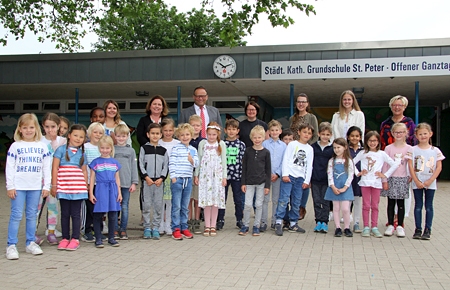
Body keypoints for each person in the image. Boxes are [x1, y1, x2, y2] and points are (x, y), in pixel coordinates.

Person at [5, 113, 51, 260]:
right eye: (25, 128)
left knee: (32, 215)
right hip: (18, 187)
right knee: (16, 215)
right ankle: (11, 245)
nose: (29, 130)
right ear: (20, 129)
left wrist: (47, 186)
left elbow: (46, 167)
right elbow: (10, 167)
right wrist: (10, 186)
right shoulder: (15, 146)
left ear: (36, 128)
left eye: (31, 127)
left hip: (35, 187)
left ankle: (30, 242)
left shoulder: (42, 147)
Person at [353, 131, 399, 238]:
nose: (372, 143)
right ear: (366, 141)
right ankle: (366, 227)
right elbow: (351, 162)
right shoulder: (363, 153)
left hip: (376, 183)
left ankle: (374, 226)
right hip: (365, 182)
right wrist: (358, 173)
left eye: (375, 140)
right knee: (366, 206)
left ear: (378, 141)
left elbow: (394, 164)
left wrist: (385, 175)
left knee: (375, 206)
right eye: (370, 140)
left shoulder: (382, 154)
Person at [51, 124, 88, 251]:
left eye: (81, 137)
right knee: (65, 213)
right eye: (76, 135)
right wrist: (54, 185)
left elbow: (84, 171)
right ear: (69, 135)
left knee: (76, 214)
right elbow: (55, 168)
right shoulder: (61, 150)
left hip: (78, 188)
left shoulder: (82, 152)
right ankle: (65, 238)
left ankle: (75, 238)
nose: (78, 139)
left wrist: (86, 185)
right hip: (64, 187)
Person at [380, 95, 416, 221]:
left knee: (403, 190)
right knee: (391, 192)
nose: (396, 107)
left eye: (399, 105)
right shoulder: (385, 124)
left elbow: (413, 141)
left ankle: (400, 218)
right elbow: (382, 141)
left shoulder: (409, 123)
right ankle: (392, 219)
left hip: (405, 160)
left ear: (404, 107)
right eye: (394, 105)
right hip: (389, 158)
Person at [406, 123, 445, 240]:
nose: (423, 136)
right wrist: (416, 180)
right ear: (416, 136)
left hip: (430, 183)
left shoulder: (435, 150)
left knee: (429, 206)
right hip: (417, 182)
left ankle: (428, 229)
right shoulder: (412, 150)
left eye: (425, 134)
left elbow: (439, 167)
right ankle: (418, 229)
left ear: (430, 134)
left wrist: (430, 180)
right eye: (420, 134)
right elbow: (410, 166)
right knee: (418, 205)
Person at [274, 124, 314, 236]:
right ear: (299, 132)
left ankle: (293, 223)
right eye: (305, 132)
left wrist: (307, 180)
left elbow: (309, 165)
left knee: (296, 201)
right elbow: (286, 159)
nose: (306, 134)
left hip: (300, 178)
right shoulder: (292, 144)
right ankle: (278, 221)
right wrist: (285, 174)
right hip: (289, 176)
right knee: (284, 199)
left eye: (309, 133)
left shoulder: (310, 149)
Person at [36, 112, 66, 245]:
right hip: (40, 180)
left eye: (53, 126)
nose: (50, 130)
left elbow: (61, 158)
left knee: (53, 207)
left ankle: (51, 231)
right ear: (43, 126)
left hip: (54, 180)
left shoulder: (62, 141)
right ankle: (32, 232)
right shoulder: (38, 141)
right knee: (36, 207)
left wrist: (54, 141)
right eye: (47, 127)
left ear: (58, 126)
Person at [89, 136, 122, 248]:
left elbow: (117, 178)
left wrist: (119, 192)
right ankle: (98, 238)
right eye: (102, 148)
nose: (105, 150)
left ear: (111, 148)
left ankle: (111, 237)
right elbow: (92, 178)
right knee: (98, 214)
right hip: (101, 188)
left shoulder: (115, 162)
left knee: (113, 214)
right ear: (99, 148)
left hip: (112, 189)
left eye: (107, 148)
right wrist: (91, 193)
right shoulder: (96, 162)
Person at [195, 122, 227, 236]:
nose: (211, 137)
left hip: (217, 177)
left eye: (214, 134)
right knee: (207, 201)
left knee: (215, 201)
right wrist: (196, 174)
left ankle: (213, 225)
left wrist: (224, 177)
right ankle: (207, 226)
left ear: (217, 134)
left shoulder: (221, 144)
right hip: (205, 177)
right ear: (206, 134)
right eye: (209, 134)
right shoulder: (203, 143)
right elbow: (198, 159)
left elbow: (224, 162)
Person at [289, 93, 318, 220]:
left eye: (303, 102)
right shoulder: (292, 118)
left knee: (305, 180)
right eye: (299, 101)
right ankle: (293, 207)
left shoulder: (311, 117)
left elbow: (315, 135)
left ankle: (302, 207)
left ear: (307, 104)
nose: (301, 104)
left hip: (306, 152)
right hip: (294, 152)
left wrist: (306, 147)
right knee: (293, 178)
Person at [239, 125, 271, 236]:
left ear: (263, 138)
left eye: (259, 137)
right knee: (247, 204)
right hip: (249, 182)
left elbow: (268, 169)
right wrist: (243, 183)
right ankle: (245, 225)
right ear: (251, 138)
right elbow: (244, 168)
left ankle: (256, 226)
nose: (257, 140)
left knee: (259, 204)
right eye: (255, 137)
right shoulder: (248, 151)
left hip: (261, 183)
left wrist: (267, 186)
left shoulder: (266, 152)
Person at [381, 123, 412, 238]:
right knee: (390, 202)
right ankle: (390, 224)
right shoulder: (388, 148)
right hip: (391, 178)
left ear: (406, 133)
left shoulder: (409, 148)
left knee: (401, 203)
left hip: (403, 178)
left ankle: (399, 225)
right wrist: (384, 179)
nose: (399, 134)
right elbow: (385, 165)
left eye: (401, 132)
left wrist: (411, 175)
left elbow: (410, 164)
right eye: (396, 132)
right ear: (392, 133)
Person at [169, 123, 199, 240]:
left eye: (187, 134)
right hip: (178, 179)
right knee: (176, 205)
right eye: (182, 135)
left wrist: (192, 161)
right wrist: (173, 177)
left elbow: (197, 163)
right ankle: (175, 228)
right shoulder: (176, 148)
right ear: (178, 136)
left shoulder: (193, 150)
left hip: (188, 179)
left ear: (191, 135)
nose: (185, 137)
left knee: (185, 205)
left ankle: (184, 227)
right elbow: (172, 163)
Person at [139, 123, 169, 240]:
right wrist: (146, 177)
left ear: (161, 135)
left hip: (159, 183)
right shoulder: (144, 148)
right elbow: (140, 164)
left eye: (157, 133)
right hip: (148, 181)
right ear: (148, 134)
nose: (155, 136)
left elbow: (166, 166)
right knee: (146, 205)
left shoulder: (163, 150)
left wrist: (161, 178)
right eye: (152, 133)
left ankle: (155, 227)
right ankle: (147, 227)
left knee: (158, 205)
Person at [324, 138, 355, 237]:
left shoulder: (349, 161)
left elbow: (351, 175)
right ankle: (337, 227)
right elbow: (330, 174)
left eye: (339, 147)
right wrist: (333, 186)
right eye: (334, 148)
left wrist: (345, 187)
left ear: (345, 147)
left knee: (345, 208)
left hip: (345, 187)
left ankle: (347, 227)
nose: (336, 150)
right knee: (336, 208)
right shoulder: (332, 161)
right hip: (335, 187)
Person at [114, 124, 139, 240]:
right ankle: (114, 229)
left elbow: (134, 167)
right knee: (114, 207)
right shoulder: (112, 149)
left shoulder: (131, 150)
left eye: (123, 136)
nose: (121, 138)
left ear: (127, 136)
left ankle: (123, 229)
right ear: (115, 136)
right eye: (118, 136)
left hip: (126, 183)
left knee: (124, 207)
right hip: (114, 184)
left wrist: (134, 182)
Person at [81, 122, 104, 243]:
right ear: (89, 133)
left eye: (100, 133)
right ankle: (86, 230)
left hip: (101, 184)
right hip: (89, 183)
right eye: (95, 132)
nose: (98, 135)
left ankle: (98, 230)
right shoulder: (85, 147)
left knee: (99, 208)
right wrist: (86, 182)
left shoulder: (103, 148)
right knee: (89, 208)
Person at [262, 120, 286, 231]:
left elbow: (284, 161)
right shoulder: (264, 144)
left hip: (277, 176)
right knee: (265, 199)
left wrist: (277, 173)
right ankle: (263, 222)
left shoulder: (284, 146)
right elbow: (263, 160)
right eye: (272, 130)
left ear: (280, 131)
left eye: (277, 130)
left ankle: (274, 221)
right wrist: (268, 173)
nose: (274, 132)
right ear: (269, 132)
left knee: (276, 199)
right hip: (266, 175)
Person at [221, 119, 246, 230]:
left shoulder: (241, 145)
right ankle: (220, 219)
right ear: (225, 130)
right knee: (222, 198)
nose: (231, 131)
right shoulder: (222, 144)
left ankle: (239, 219)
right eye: (229, 129)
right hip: (224, 176)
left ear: (238, 131)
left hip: (237, 176)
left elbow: (243, 161)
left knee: (238, 199)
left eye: (234, 129)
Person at [158, 118, 180, 236]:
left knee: (171, 201)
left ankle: (169, 224)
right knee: (161, 201)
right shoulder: (159, 142)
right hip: (160, 176)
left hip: (172, 175)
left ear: (174, 130)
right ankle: (160, 223)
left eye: (170, 130)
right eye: (165, 130)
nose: (168, 133)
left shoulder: (177, 143)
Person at [311, 122, 333, 234]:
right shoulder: (313, 147)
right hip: (315, 179)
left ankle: (325, 221)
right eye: (323, 134)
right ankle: (318, 221)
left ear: (331, 135)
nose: (325, 136)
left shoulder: (332, 148)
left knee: (325, 201)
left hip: (327, 180)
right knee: (316, 200)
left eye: (328, 134)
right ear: (319, 134)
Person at [188, 115, 205, 234]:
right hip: (187, 173)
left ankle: (197, 220)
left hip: (199, 174)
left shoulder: (203, 142)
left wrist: (198, 175)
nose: (195, 127)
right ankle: (189, 220)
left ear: (201, 127)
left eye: (197, 125)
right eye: (193, 125)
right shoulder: (185, 140)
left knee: (197, 199)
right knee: (189, 198)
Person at [346, 126, 364, 233]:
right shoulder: (345, 149)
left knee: (357, 201)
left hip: (359, 179)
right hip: (348, 179)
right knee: (347, 202)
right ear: (348, 137)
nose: (354, 138)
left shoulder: (364, 150)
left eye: (357, 136)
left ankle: (356, 223)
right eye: (352, 136)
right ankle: (347, 223)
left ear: (360, 137)